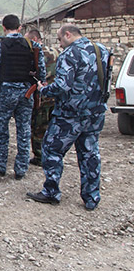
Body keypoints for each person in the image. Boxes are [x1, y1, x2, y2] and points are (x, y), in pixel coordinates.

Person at [27, 24, 109, 210]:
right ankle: (91, 197)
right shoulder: (101, 50)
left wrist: (43, 89)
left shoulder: (69, 54)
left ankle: (51, 191)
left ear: (68, 34)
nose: (60, 44)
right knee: (89, 153)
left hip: (70, 113)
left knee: (51, 149)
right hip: (95, 111)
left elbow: (62, 86)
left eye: (60, 39)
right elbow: (107, 79)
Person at [0, 14, 45, 180]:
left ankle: (1, 165)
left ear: (4, 28)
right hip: (26, 94)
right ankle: (21, 168)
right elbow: (42, 73)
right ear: (20, 28)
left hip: (5, 94)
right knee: (24, 130)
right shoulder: (32, 45)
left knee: (2, 131)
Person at [24, 29, 59, 166]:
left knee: (38, 127)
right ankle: (52, 153)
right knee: (52, 126)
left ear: (35, 39)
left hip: (42, 96)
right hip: (55, 95)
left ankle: (39, 156)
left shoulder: (36, 54)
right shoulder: (56, 52)